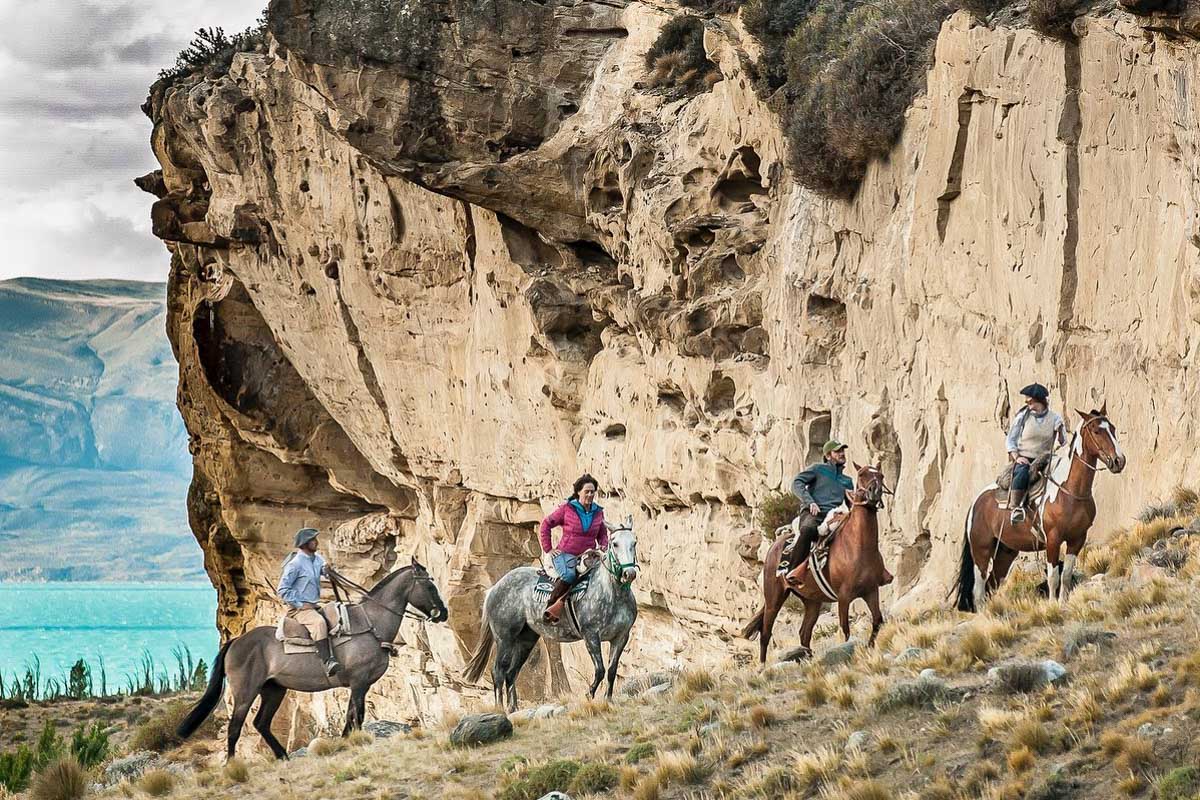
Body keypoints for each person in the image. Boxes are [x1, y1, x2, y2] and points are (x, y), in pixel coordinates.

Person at [538, 474, 608, 623]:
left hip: (588, 555)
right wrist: (548, 548)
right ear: (578, 492)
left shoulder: (598, 512)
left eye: (592, 492)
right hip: (565, 554)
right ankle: (550, 608)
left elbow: (602, 534)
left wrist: (603, 546)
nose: (590, 495)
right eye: (587, 491)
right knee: (569, 576)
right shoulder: (567, 509)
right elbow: (546, 524)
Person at [779, 440, 855, 577]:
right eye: (837, 451)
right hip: (814, 512)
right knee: (808, 530)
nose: (842, 453)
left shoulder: (847, 481)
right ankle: (792, 572)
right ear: (828, 456)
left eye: (842, 450)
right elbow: (796, 483)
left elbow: (850, 505)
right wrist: (810, 502)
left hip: (834, 517)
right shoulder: (817, 469)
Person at [277, 527, 342, 676]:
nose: (316, 542)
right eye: (313, 540)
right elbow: (282, 589)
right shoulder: (295, 564)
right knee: (319, 623)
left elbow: (323, 570)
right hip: (299, 609)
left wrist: (327, 571)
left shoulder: (317, 558)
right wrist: (300, 604)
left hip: (313, 606)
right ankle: (327, 661)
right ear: (305, 544)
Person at [1004, 383, 1068, 523]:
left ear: (1038, 401)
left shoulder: (1055, 418)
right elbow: (1011, 440)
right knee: (1022, 473)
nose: (1027, 404)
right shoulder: (1023, 417)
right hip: (1025, 458)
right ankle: (1016, 508)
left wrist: (1060, 431)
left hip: (1046, 458)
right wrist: (1017, 457)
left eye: (1029, 401)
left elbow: (1063, 442)